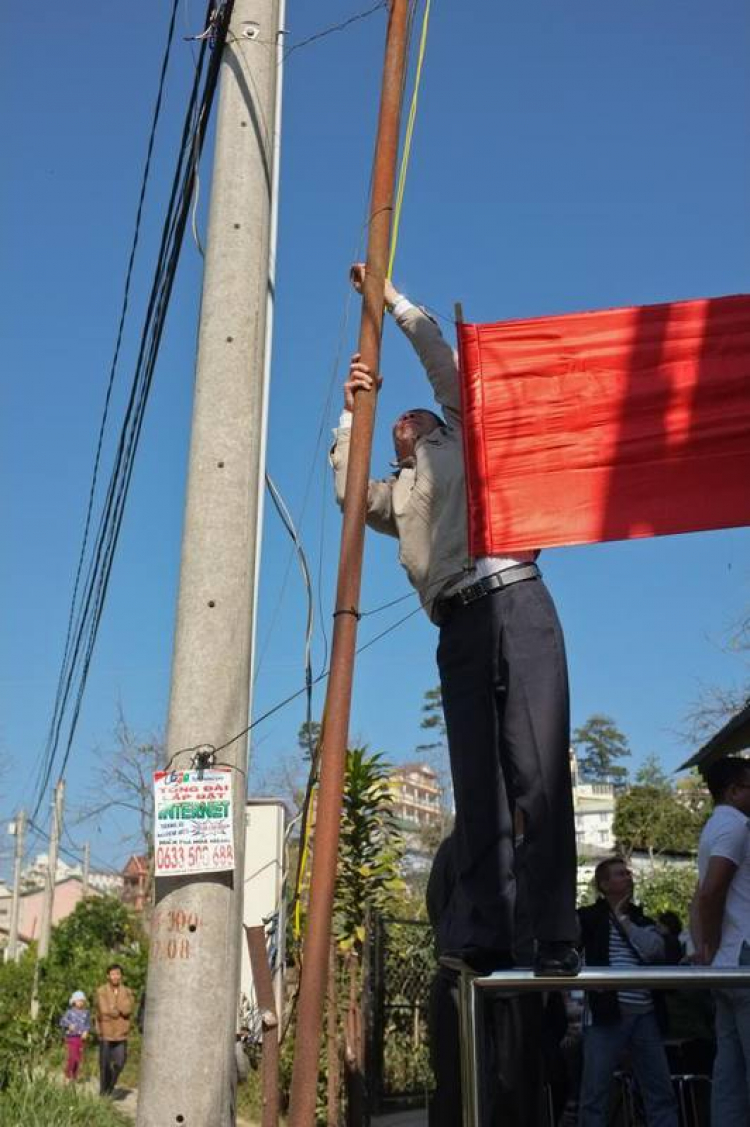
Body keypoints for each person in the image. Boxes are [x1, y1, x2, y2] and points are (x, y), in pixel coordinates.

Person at [331, 264, 578, 977]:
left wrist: (393, 303)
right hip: (457, 625)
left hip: (516, 596)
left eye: (417, 414)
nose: (405, 418)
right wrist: (355, 411)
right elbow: (350, 493)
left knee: (536, 770)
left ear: (441, 422)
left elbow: (443, 361)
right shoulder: (398, 495)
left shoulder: (469, 437)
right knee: (477, 787)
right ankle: (485, 935)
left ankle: (556, 937)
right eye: (396, 423)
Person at [577, 857, 678, 1127]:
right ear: (604, 884)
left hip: (645, 1013)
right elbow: (569, 957)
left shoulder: (640, 918)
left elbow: (657, 952)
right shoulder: (587, 918)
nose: (628, 877)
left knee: (659, 1091)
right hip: (605, 1013)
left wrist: (625, 922)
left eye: (627, 873)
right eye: (620, 874)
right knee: (594, 1094)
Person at [694, 756, 750, 1126]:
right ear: (732, 790)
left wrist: (706, 951)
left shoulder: (713, 827)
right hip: (743, 955)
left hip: (728, 962)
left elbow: (699, 896)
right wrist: (709, 945)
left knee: (729, 1072)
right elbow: (712, 891)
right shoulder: (736, 826)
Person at [95, 963, 134, 1098]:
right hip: (106, 1031)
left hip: (121, 1033)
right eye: (113, 974)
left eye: (118, 974)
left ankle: (110, 1086)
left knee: (120, 1062)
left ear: (121, 976)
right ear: (108, 976)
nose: (115, 976)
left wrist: (116, 1008)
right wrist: (119, 1009)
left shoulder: (127, 991)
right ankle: (103, 1092)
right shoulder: (101, 991)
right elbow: (104, 1010)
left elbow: (128, 1009)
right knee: (104, 1064)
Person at [59, 989, 91, 1082]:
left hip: (81, 1038)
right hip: (72, 1037)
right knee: (72, 1057)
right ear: (73, 1001)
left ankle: (74, 1076)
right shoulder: (69, 1012)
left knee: (78, 1058)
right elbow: (62, 1022)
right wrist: (69, 1025)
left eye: (82, 1000)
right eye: (78, 1000)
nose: (80, 1002)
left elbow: (88, 1024)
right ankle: (68, 1075)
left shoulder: (86, 1012)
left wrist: (86, 1031)